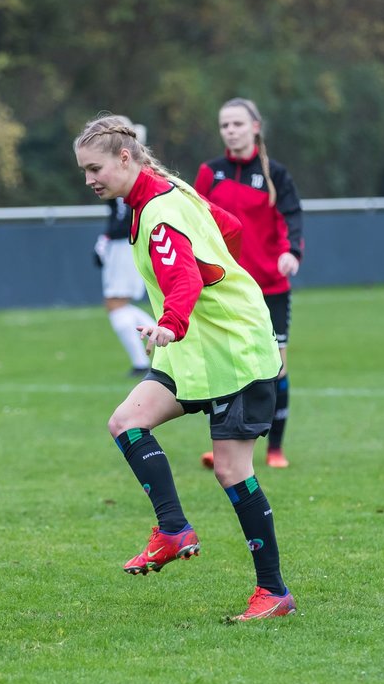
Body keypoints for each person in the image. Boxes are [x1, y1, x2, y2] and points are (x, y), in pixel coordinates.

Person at [73, 114, 295, 622]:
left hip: (231, 348)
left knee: (232, 470)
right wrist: (219, 282)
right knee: (126, 422)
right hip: (196, 343)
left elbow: (185, 280)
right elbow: (231, 230)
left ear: (125, 158)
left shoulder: (158, 210)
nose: (89, 179)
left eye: (95, 168)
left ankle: (273, 592)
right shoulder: (164, 189)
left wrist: (174, 322)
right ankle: (173, 529)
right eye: (84, 170)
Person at [194, 98, 304, 469]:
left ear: (255, 127)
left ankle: (275, 448)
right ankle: (224, 447)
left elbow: (292, 217)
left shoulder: (276, 174)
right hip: (225, 289)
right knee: (226, 366)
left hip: (270, 288)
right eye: (225, 125)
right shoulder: (211, 173)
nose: (231, 130)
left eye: (238, 124)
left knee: (275, 368)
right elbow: (195, 221)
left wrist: (292, 253)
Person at [93, 117, 156, 376]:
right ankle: (164, 346)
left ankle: (142, 362)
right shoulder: (113, 171)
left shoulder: (131, 172)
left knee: (116, 303)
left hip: (127, 244)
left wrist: (111, 237)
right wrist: (105, 239)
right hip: (119, 243)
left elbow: (127, 213)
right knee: (117, 304)